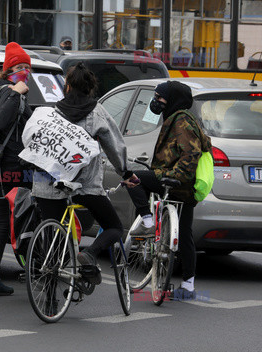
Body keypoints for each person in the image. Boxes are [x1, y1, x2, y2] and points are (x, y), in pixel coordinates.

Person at [30, 62, 139, 284]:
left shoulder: (51, 112)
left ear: (67, 86)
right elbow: (114, 145)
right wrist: (125, 173)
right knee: (115, 227)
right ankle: (89, 253)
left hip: (47, 185)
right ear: (90, 88)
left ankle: (49, 297)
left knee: (53, 233)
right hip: (84, 186)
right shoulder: (97, 112)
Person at [127, 80, 212, 300]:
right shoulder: (178, 117)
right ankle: (188, 285)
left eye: (160, 98)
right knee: (184, 234)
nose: (156, 102)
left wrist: (172, 176)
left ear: (173, 99)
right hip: (185, 188)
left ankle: (147, 221)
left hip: (177, 182)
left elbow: (190, 154)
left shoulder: (181, 120)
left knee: (133, 179)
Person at [0, 42, 34, 296]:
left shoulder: (13, 92)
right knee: (9, 222)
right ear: (7, 71)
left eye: (27, 67)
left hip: (2, 169)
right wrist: (16, 93)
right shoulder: (8, 92)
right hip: (8, 170)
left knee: (10, 222)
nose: (24, 71)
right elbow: (3, 122)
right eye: (18, 67)